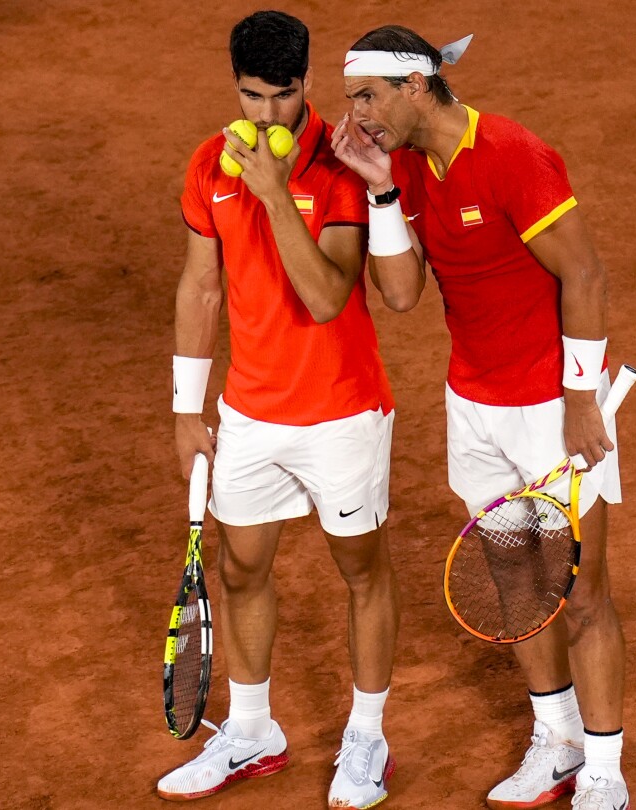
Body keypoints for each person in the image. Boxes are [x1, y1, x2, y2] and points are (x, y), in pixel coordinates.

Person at [332, 26, 630, 810]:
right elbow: (400, 295)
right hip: (475, 407)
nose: (357, 115)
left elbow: (587, 274)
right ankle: (557, 739)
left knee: (585, 591)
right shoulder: (401, 165)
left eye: (368, 96)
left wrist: (577, 399)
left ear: (416, 86)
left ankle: (605, 772)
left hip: (550, 407)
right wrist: (380, 191)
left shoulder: (511, 154)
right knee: (516, 581)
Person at [158, 11, 399, 807]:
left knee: (359, 570)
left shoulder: (341, 167)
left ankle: (367, 738)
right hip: (252, 412)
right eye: (250, 96)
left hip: (340, 412)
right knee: (240, 567)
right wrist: (188, 412)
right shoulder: (209, 164)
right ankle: (254, 731)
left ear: (307, 86)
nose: (264, 117)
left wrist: (271, 196)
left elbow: (330, 297)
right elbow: (200, 286)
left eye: (282, 96)